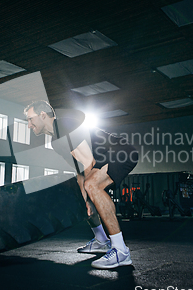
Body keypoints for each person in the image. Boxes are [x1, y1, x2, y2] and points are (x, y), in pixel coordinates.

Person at [24, 100, 139, 269]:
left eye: (30, 119)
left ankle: (121, 251)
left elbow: (88, 162)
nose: (29, 125)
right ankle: (101, 240)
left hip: (121, 152)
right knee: (83, 194)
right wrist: (83, 200)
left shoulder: (63, 125)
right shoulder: (56, 143)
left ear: (43, 115)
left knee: (91, 186)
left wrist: (86, 192)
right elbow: (80, 171)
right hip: (101, 160)